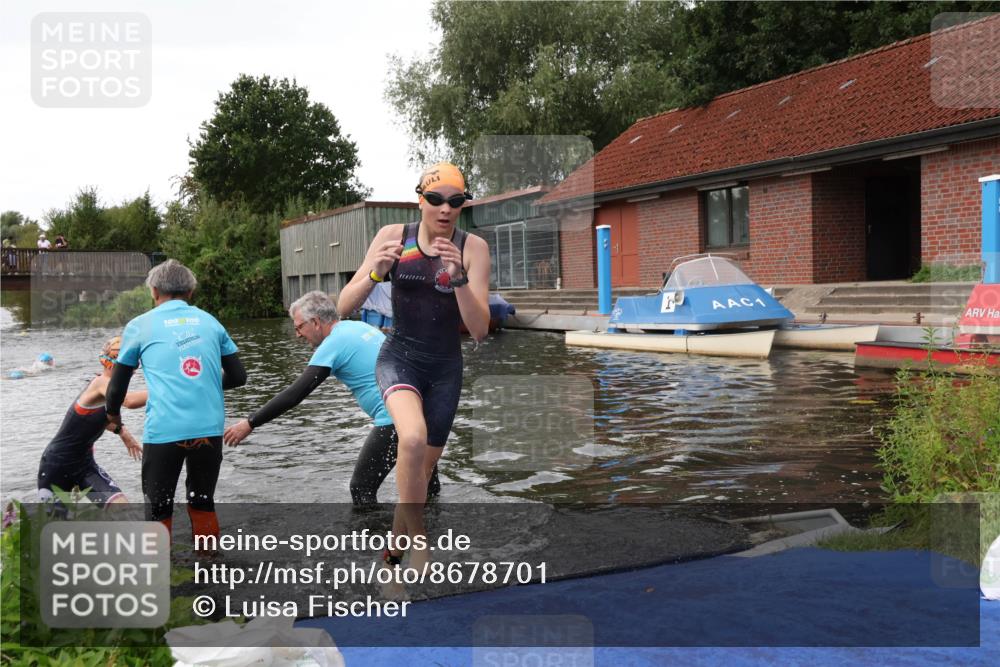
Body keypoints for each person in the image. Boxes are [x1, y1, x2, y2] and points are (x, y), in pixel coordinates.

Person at [338, 162, 490, 569]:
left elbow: (478, 331)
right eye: (436, 200)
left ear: (462, 205)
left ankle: (391, 559)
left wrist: (458, 277)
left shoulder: (473, 248)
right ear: (420, 200)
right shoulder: (394, 238)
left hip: (445, 370)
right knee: (411, 438)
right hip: (400, 358)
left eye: (455, 202)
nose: (445, 209)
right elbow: (342, 306)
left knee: (417, 478)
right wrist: (375, 273)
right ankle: (419, 539)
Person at [222, 290, 440, 505]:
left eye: (299, 327)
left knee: (361, 488)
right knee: (425, 481)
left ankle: (379, 539)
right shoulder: (359, 327)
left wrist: (251, 422)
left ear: (316, 322)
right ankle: (433, 530)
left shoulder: (333, 344)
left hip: (394, 420)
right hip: (418, 412)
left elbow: (295, 394)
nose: (297, 334)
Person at [105, 259, 247, 547]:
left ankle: (160, 575)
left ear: (154, 291)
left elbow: (117, 386)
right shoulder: (210, 321)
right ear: (190, 292)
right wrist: (201, 382)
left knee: (158, 506)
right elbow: (239, 376)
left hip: (165, 431)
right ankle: (209, 569)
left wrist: (114, 417)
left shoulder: (140, 325)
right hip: (208, 429)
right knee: (202, 500)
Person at [37, 336, 146, 509]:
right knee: (55, 526)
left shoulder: (103, 386)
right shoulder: (101, 383)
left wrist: (123, 432)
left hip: (84, 464)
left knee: (122, 509)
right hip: (57, 464)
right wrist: (165, 388)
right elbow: (128, 401)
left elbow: (97, 418)